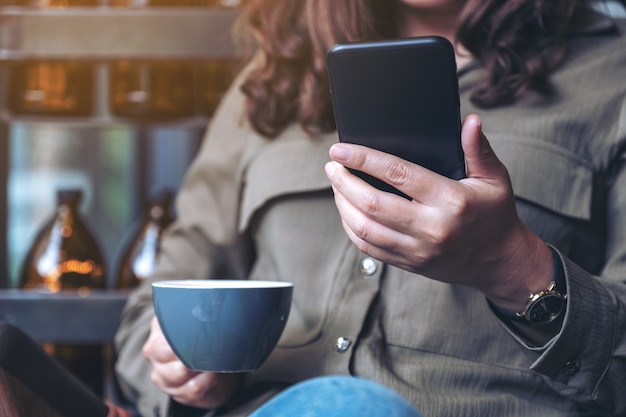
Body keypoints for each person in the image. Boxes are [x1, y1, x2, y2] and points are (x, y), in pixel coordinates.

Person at [114, 0, 626, 416]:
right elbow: (149, 310)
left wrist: (514, 267)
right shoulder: (274, 76)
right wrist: (182, 373)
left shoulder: (611, 75)